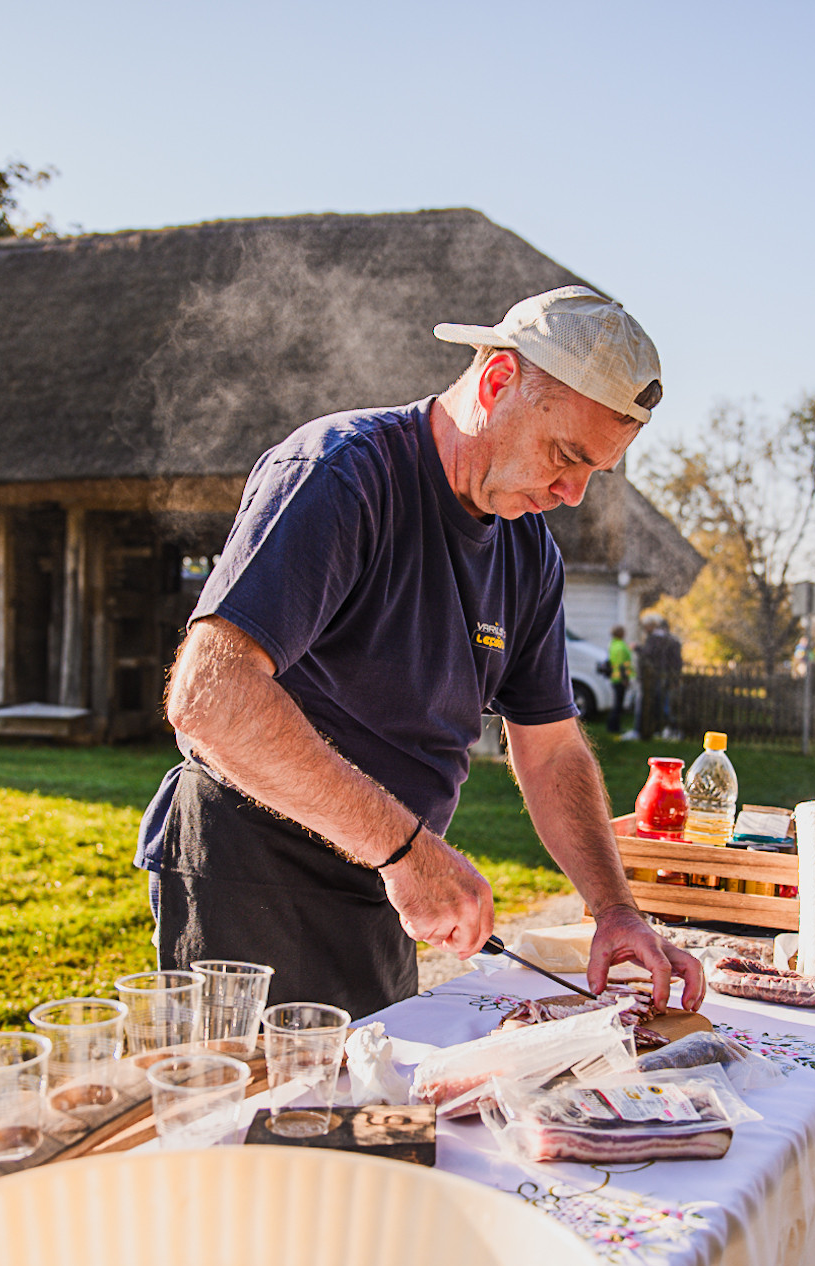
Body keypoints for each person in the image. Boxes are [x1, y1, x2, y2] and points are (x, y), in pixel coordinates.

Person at [134, 286, 703, 1019]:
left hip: (386, 876)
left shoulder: (529, 554)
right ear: (498, 382)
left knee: (372, 1116)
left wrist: (615, 907)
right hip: (256, 873)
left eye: (596, 470)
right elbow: (209, 697)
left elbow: (554, 749)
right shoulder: (341, 474)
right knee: (269, 1124)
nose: (572, 493)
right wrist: (407, 850)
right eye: (565, 456)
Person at [637, 613, 683, 740]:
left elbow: (648, 653)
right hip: (667, 674)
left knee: (662, 704)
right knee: (665, 703)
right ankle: (666, 730)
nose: (645, 629)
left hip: (657, 675)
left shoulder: (655, 638)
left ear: (652, 625)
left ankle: (668, 730)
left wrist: (637, 648)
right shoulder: (669, 637)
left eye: (646, 626)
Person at [605, 624, 634, 736]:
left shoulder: (613, 644)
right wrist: (625, 679)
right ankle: (614, 727)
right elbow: (622, 665)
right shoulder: (621, 646)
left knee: (616, 703)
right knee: (618, 704)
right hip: (620, 679)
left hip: (614, 678)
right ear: (621, 633)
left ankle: (612, 726)